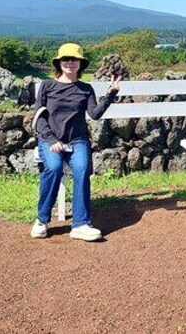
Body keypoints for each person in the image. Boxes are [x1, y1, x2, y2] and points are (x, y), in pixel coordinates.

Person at [30, 43, 121, 241]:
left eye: (74, 59)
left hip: (77, 140)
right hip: (50, 139)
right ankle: (41, 220)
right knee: (53, 168)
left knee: (81, 169)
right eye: (66, 59)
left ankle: (80, 224)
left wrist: (111, 94)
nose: (70, 63)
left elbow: (94, 115)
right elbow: (39, 116)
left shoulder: (85, 89)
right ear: (59, 63)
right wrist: (51, 139)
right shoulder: (47, 86)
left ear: (80, 64)